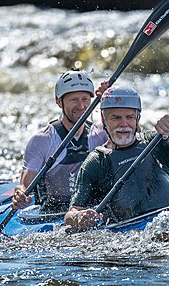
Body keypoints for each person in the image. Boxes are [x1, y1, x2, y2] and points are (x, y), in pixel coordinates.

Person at [63, 86, 169, 232]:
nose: (124, 124)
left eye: (129, 117)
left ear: (137, 118)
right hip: (134, 232)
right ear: (104, 120)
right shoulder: (96, 161)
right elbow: (71, 214)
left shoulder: (156, 141)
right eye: (116, 118)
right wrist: (79, 217)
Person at [11, 69, 108, 212]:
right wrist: (20, 195)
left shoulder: (101, 134)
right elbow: (25, 185)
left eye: (85, 99)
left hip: (90, 211)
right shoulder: (42, 141)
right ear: (59, 101)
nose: (81, 106)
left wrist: (110, 99)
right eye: (74, 100)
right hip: (51, 212)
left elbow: (129, 136)